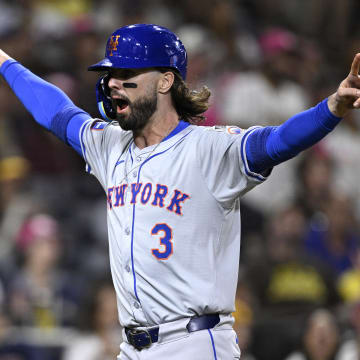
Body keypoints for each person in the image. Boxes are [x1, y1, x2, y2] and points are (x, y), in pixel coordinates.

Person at [1, 23, 360, 359]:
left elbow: (277, 141)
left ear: (164, 82)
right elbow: (54, 111)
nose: (112, 83)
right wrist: (4, 62)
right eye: (111, 75)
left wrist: (331, 109)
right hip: (131, 345)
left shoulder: (208, 149)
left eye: (127, 75)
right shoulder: (108, 145)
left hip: (194, 343)